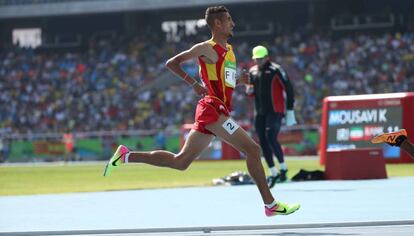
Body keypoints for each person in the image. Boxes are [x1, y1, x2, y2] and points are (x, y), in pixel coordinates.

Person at [103, 5, 300, 217]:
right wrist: (193, 83)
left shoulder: (229, 51)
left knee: (181, 162)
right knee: (253, 150)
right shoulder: (207, 48)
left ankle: (126, 156)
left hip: (217, 109)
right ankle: (270, 204)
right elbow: (172, 63)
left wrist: (238, 81)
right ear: (217, 23)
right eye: (229, 20)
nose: (233, 24)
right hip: (212, 110)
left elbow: (222, 81)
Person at [243, 45, 296, 188]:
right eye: (256, 59)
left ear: (267, 57)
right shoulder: (252, 72)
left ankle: (283, 167)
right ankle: (273, 172)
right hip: (260, 112)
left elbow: (288, 88)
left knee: (270, 136)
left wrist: (290, 109)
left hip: (275, 110)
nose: (258, 61)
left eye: (260, 59)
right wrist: (248, 89)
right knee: (262, 141)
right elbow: (251, 93)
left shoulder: (276, 69)